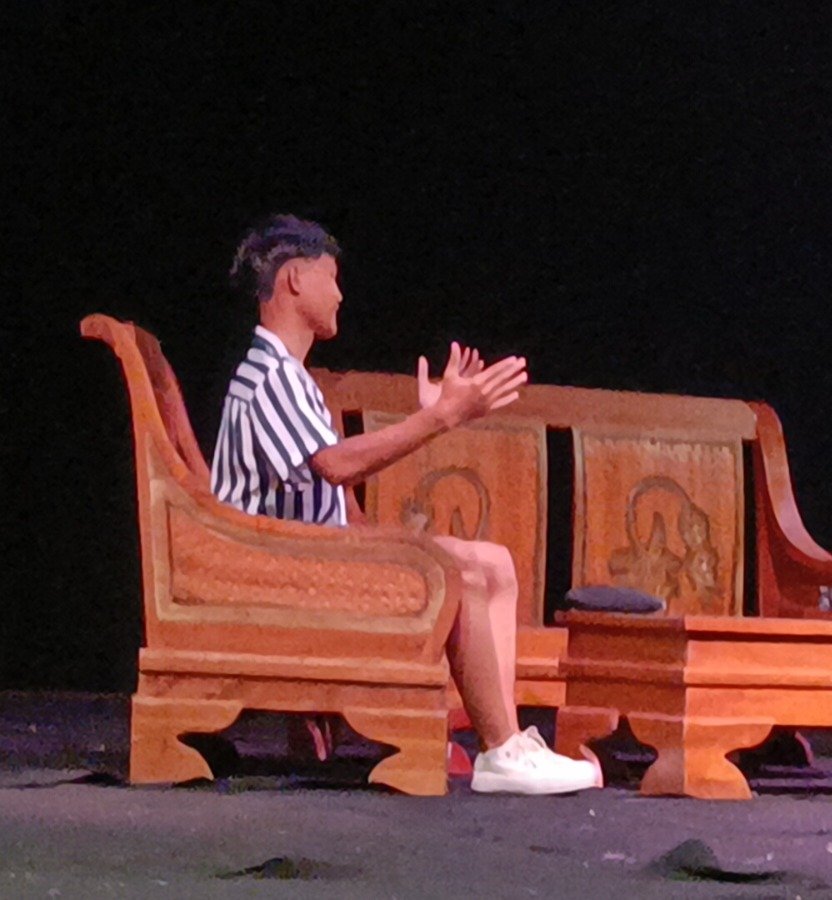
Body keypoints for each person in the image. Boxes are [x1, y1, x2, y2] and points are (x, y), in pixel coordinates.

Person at [211, 214, 599, 795]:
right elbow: (335, 465)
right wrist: (439, 417)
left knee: (492, 562)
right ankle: (499, 748)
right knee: (456, 572)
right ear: (294, 279)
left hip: (306, 559)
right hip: (276, 575)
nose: (340, 294)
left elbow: (332, 493)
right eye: (331, 277)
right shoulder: (268, 376)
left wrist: (388, 536)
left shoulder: (289, 376)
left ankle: (507, 742)